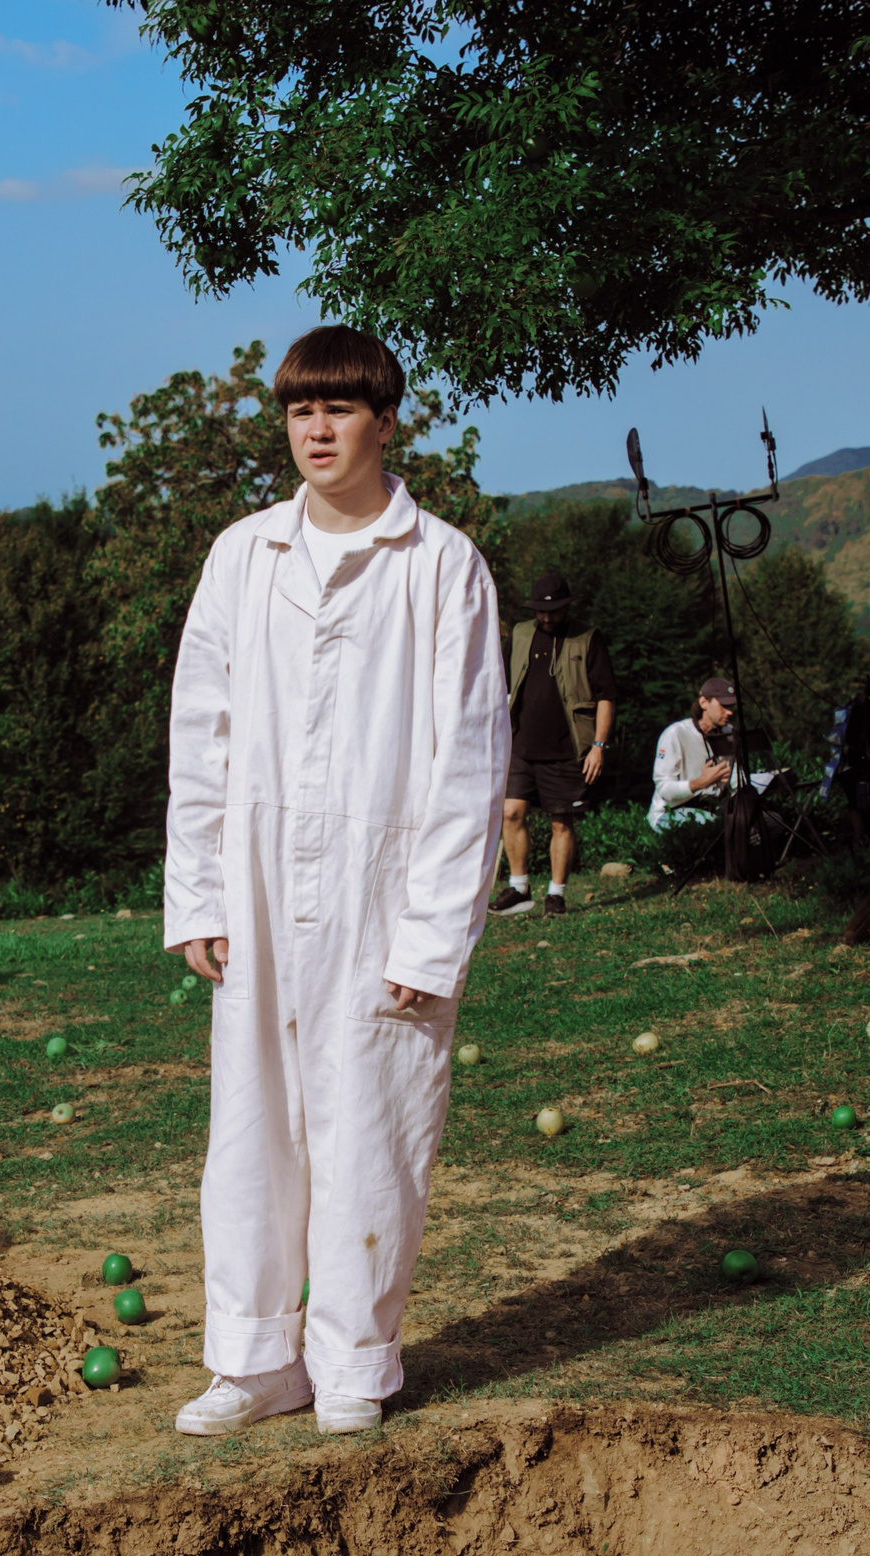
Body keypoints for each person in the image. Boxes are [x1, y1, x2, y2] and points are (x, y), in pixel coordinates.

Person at [162, 325, 509, 1438]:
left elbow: (468, 763)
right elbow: (199, 734)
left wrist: (429, 939)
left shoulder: (441, 564)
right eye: (300, 412)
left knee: (370, 1124)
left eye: (340, 410)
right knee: (251, 1124)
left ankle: (355, 1361)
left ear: (384, 422)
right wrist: (199, 895)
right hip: (257, 882)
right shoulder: (242, 555)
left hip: (381, 882)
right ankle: (254, 1358)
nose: (316, 431)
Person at [493, 570, 618, 917]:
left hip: (568, 747)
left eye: (554, 610)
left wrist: (598, 746)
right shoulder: (519, 634)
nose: (547, 617)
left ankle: (556, 895)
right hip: (520, 744)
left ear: (566, 606)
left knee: (561, 821)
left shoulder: (588, 638)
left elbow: (607, 696)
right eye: (541, 611)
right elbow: (499, 682)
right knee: (511, 812)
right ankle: (519, 888)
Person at [648, 678, 740, 831]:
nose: (729, 712)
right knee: (715, 828)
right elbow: (664, 789)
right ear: (704, 702)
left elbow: (737, 778)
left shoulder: (730, 733)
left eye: (731, 706)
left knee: (770, 823)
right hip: (671, 812)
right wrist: (701, 782)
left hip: (713, 810)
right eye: (723, 706)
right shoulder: (676, 733)